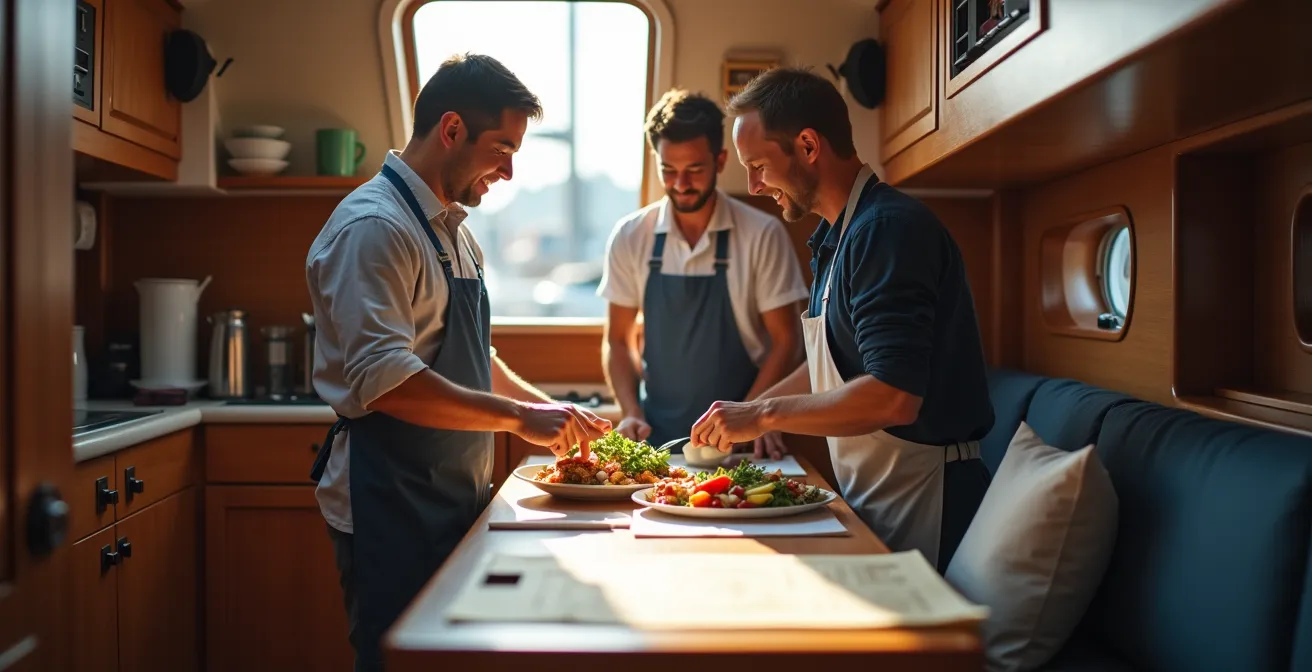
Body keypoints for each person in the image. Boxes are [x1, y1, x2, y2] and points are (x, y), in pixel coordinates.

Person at [305, 53, 611, 672]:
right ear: (451, 130)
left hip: (453, 493)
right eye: (502, 147)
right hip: (389, 498)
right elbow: (387, 381)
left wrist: (547, 409)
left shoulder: (453, 229)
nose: (511, 168)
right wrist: (521, 419)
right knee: (400, 659)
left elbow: (472, 355)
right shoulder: (375, 228)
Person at [690, 67, 994, 573]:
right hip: (877, 493)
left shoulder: (887, 232)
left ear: (808, 145)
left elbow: (894, 397)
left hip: (929, 498)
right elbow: (826, 365)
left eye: (759, 165)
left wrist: (763, 417)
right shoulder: (839, 237)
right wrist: (745, 411)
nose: (754, 185)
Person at [597, 88, 809, 458]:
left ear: (721, 160)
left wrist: (752, 416)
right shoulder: (631, 236)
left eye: (694, 169)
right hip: (656, 440)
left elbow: (787, 342)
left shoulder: (762, 234)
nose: (680, 184)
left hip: (744, 440)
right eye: (669, 170)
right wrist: (631, 412)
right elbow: (617, 340)